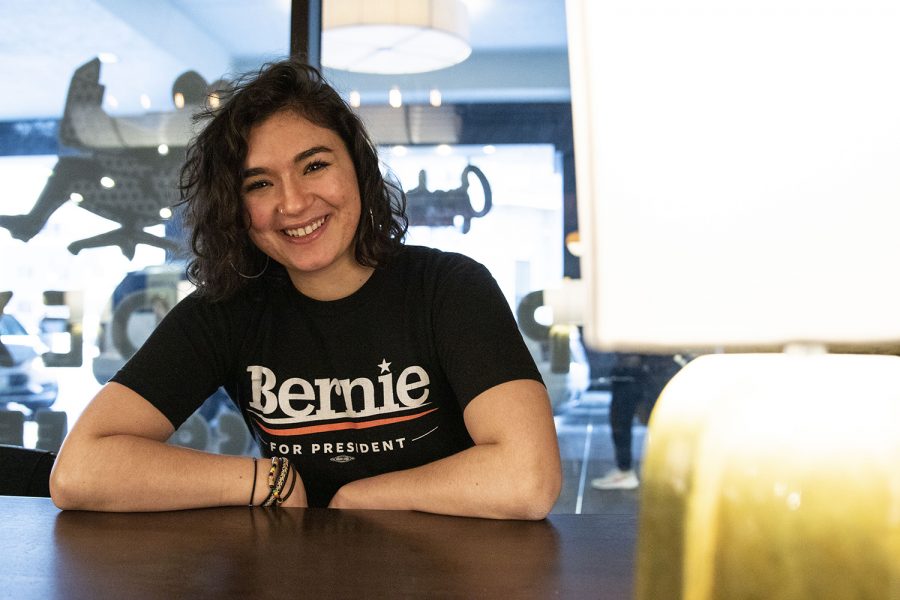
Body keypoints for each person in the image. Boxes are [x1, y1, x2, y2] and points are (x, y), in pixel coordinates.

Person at [49, 58, 562, 519]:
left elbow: (528, 478)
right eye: (259, 184)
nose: (292, 204)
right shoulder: (227, 312)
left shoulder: (449, 288)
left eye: (314, 165)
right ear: (237, 208)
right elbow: (80, 470)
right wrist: (266, 479)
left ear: (358, 170)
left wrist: (360, 497)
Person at [591, 353, 685, 490]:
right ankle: (668, 473)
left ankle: (628, 471)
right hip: (651, 365)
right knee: (658, 420)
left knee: (624, 419)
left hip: (638, 366)